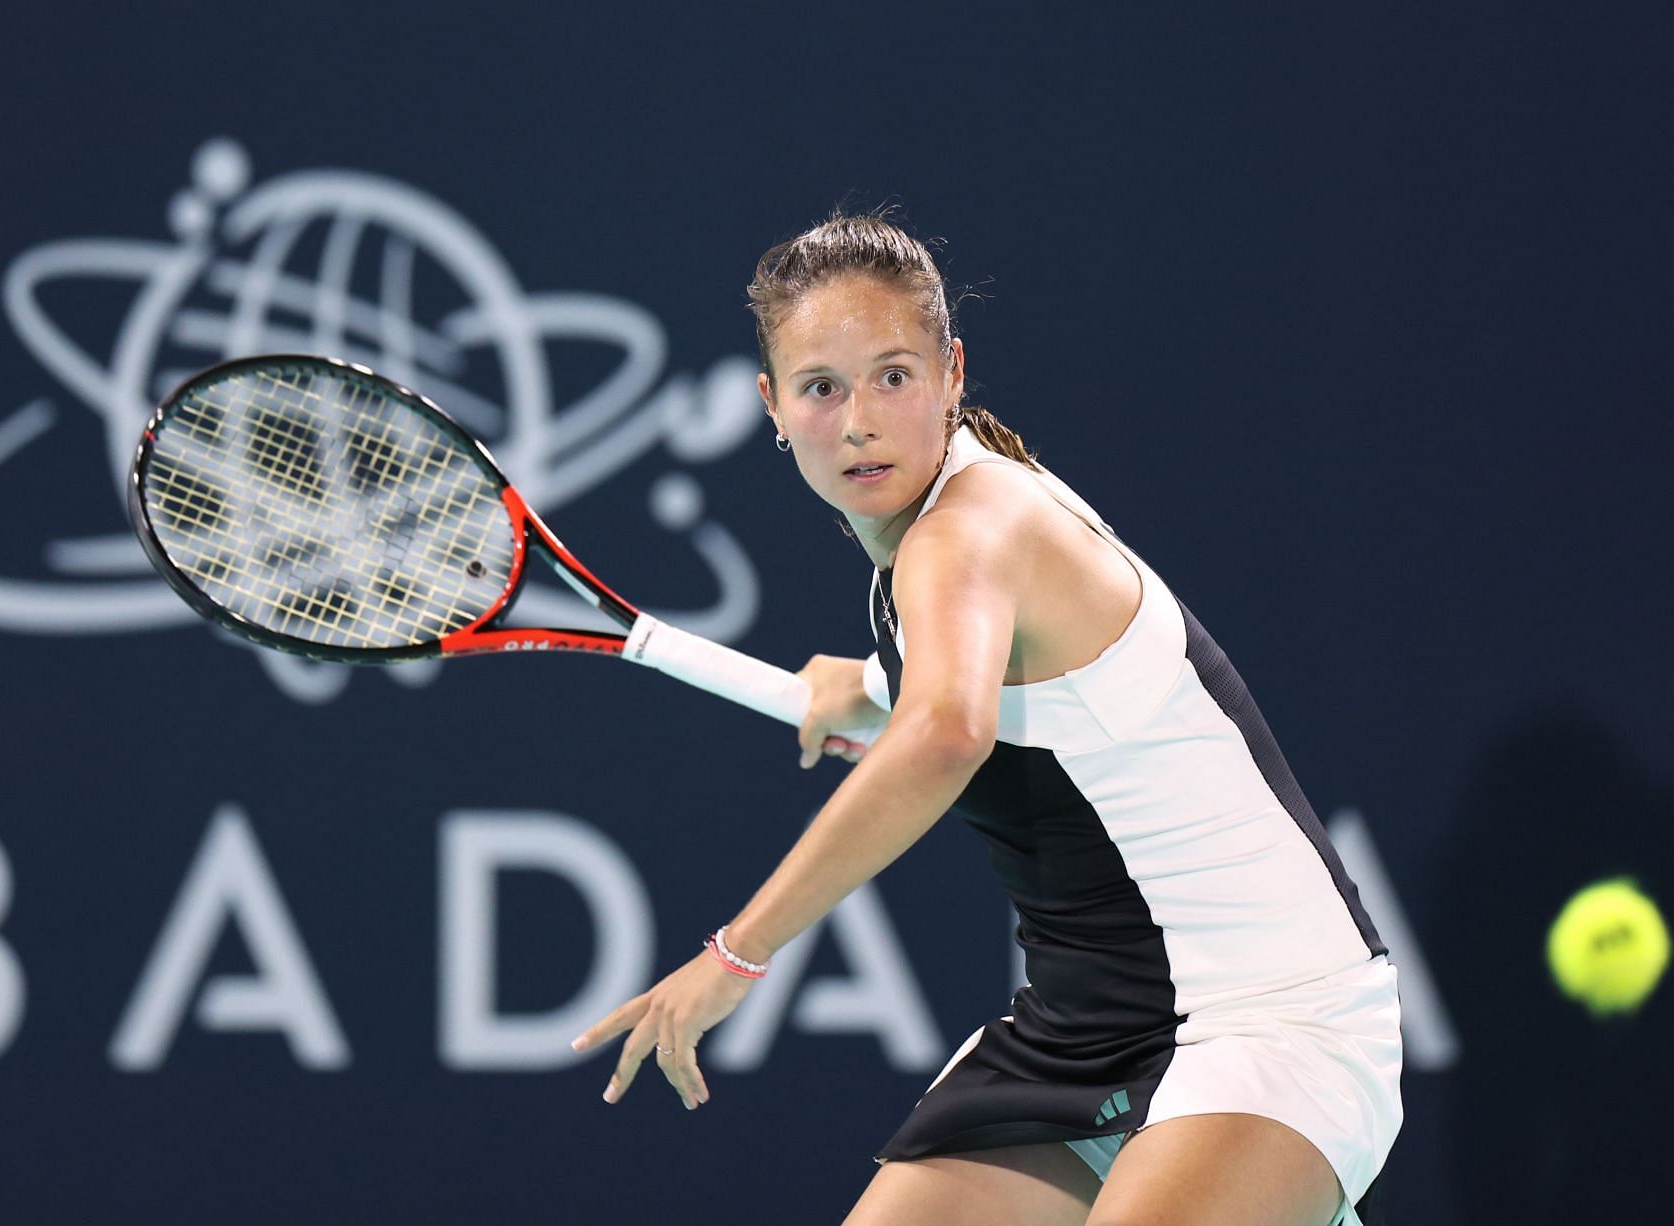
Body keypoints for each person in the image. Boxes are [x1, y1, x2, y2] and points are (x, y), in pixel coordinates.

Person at [573, 213, 1403, 1226]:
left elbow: (949, 734)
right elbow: (995, 680)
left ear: (952, 370)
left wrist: (737, 951)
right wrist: (875, 689)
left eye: (893, 375)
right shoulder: (939, 534)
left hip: (1271, 1019)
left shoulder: (966, 528)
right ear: (772, 407)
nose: (860, 420)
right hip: (1081, 1031)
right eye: (821, 387)